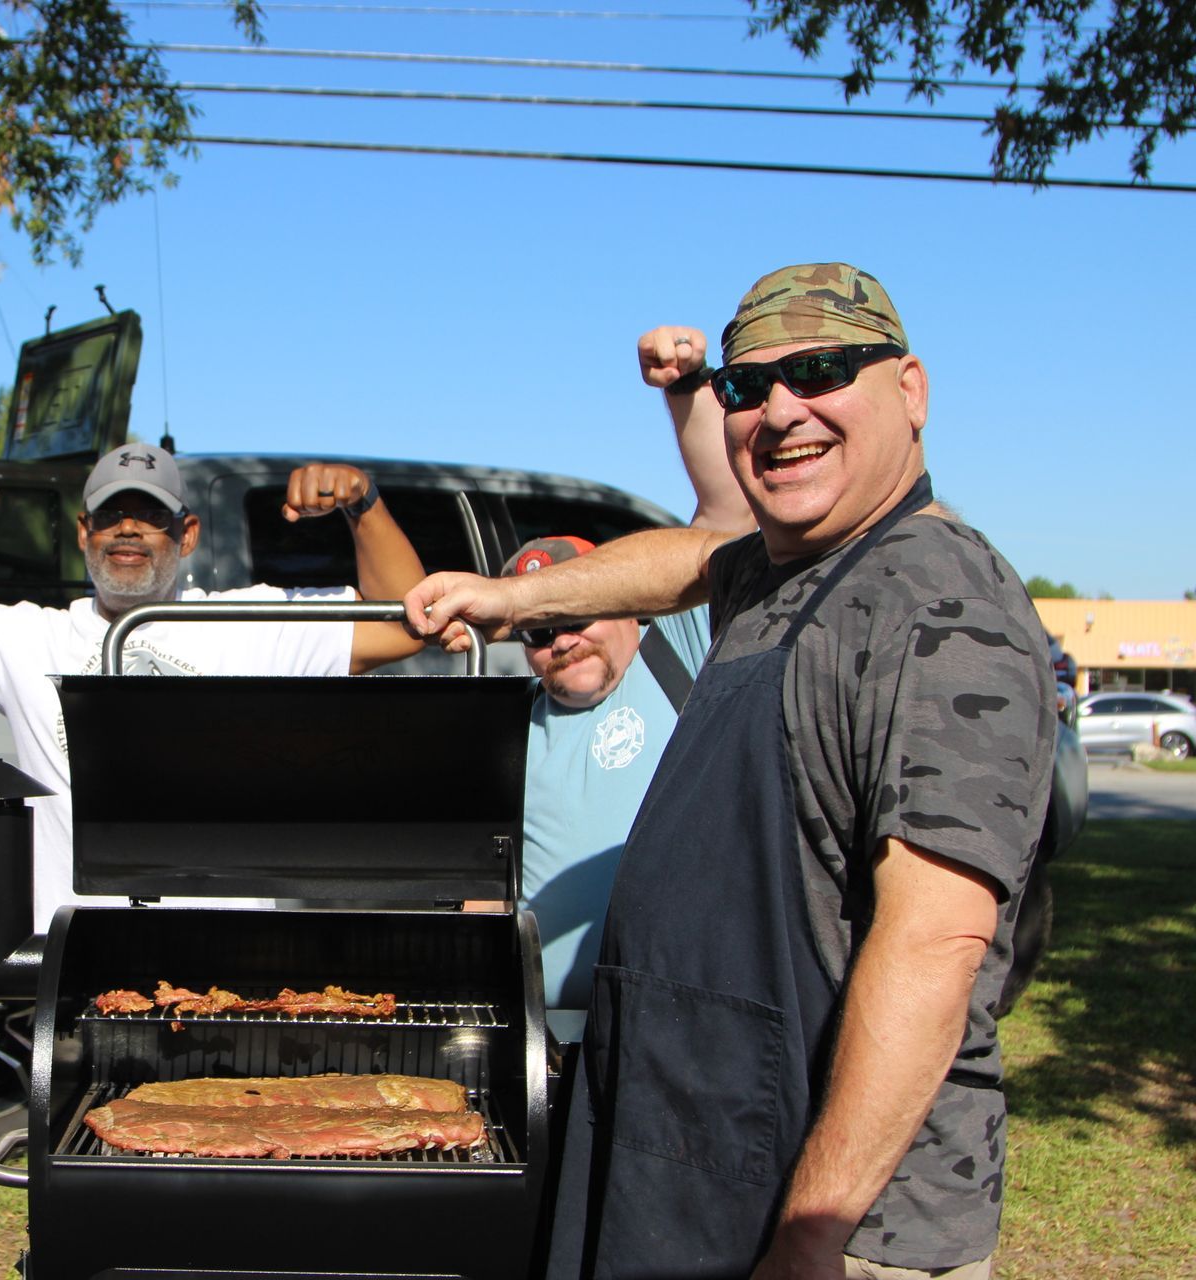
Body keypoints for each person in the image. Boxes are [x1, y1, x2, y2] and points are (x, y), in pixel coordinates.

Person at [407, 264, 1054, 1280]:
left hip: (843, 1214)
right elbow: (687, 558)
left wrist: (811, 1236)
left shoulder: (938, 602)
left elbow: (937, 942)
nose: (781, 411)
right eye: (750, 388)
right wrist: (507, 599)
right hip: (708, 1157)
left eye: (822, 371)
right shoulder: (784, 567)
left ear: (911, 389)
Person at [0, 443, 426, 928]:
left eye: (150, 514)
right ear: (84, 532)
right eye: (109, 514)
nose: (128, 528)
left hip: (229, 964)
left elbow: (406, 623)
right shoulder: (29, 637)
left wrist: (363, 505)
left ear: (188, 534)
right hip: (83, 969)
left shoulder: (251, 621)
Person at [506, 324, 753, 1013]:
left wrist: (684, 388)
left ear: (629, 607)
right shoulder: (514, 725)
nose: (561, 641)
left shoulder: (671, 651)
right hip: (546, 1044)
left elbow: (728, 522)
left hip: (672, 1023)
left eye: (578, 615)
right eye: (540, 630)